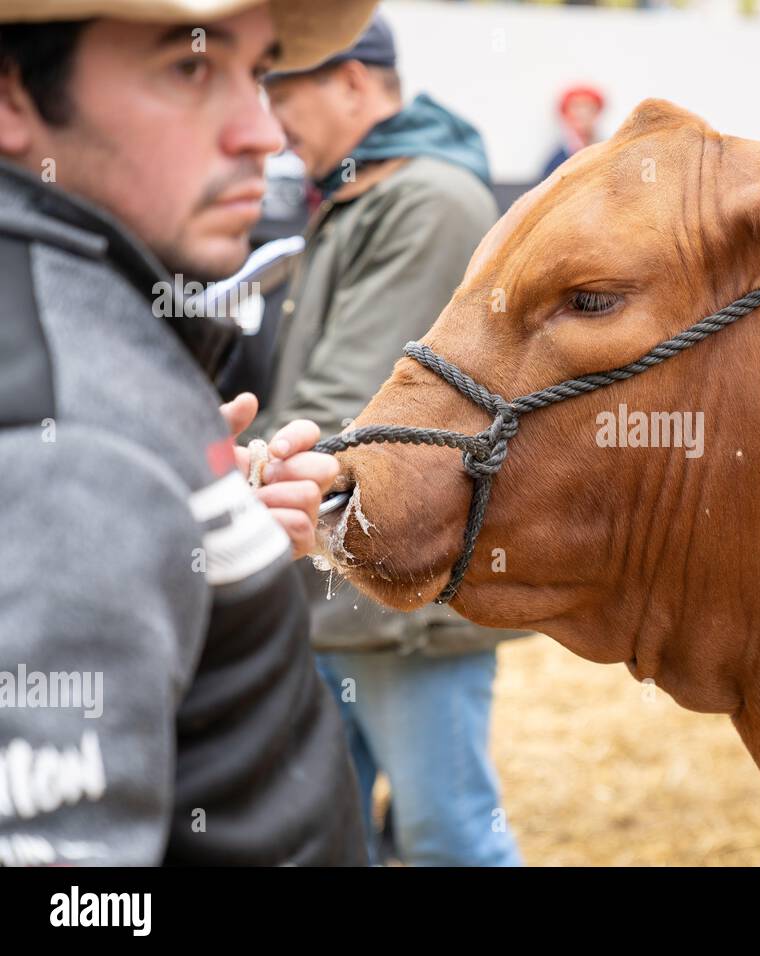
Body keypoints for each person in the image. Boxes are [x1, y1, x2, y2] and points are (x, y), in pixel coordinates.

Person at [0, 0, 378, 865]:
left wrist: (196, 529)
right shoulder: (67, 431)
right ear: (12, 94)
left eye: (258, 72)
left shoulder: (74, 337)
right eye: (190, 67)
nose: (262, 134)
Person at [257, 12, 527, 867]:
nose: (270, 124)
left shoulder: (424, 196)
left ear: (352, 81)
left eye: (284, 93)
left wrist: (232, 469)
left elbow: (342, 407)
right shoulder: (369, 189)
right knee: (330, 838)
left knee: (447, 835)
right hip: (346, 586)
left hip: (402, 594)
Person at [540, 84, 604, 181]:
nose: (583, 113)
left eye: (588, 107)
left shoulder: (607, 151)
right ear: (566, 115)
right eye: (576, 107)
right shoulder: (556, 160)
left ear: (596, 113)